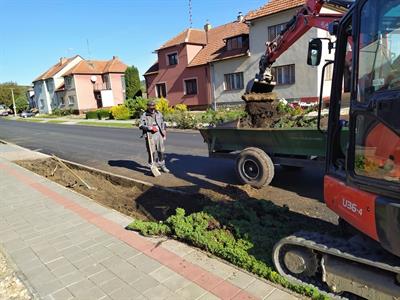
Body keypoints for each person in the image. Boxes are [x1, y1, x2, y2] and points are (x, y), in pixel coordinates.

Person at [139, 101, 170, 173]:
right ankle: (152, 166)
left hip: (159, 134)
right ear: (148, 107)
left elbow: (163, 123)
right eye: (151, 108)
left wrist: (164, 132)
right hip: (150, 135)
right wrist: (149, 128)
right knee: (151, 152)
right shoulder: (144, 115)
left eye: (153, 107)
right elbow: (140, 126)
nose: (152, 109)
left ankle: (162, 165)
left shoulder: (159, 113)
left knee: (161, 151)